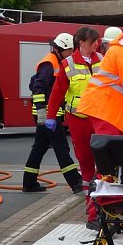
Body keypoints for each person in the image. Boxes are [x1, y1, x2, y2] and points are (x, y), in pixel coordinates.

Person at [45, 26, 105, 229]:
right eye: (93, 41)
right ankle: (92, 214)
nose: (97, 44)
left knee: (104, 167)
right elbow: (57, 93)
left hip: (100, 120)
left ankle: (106, 209)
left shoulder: (102, 61)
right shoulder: (68, 64)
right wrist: (51, 116)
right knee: (87, 168)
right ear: (82, 43)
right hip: (79, 121)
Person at [22, 32, 83, 194]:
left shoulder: (55, 62)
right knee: (61, 147)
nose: (71, 53)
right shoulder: (49, 64)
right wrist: (42, 111)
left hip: (48, 113)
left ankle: (29, 182)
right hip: (48, 114)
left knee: (39, 147)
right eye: (69, 50)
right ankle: (76, 182)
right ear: (59, 49)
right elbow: (38, 87)